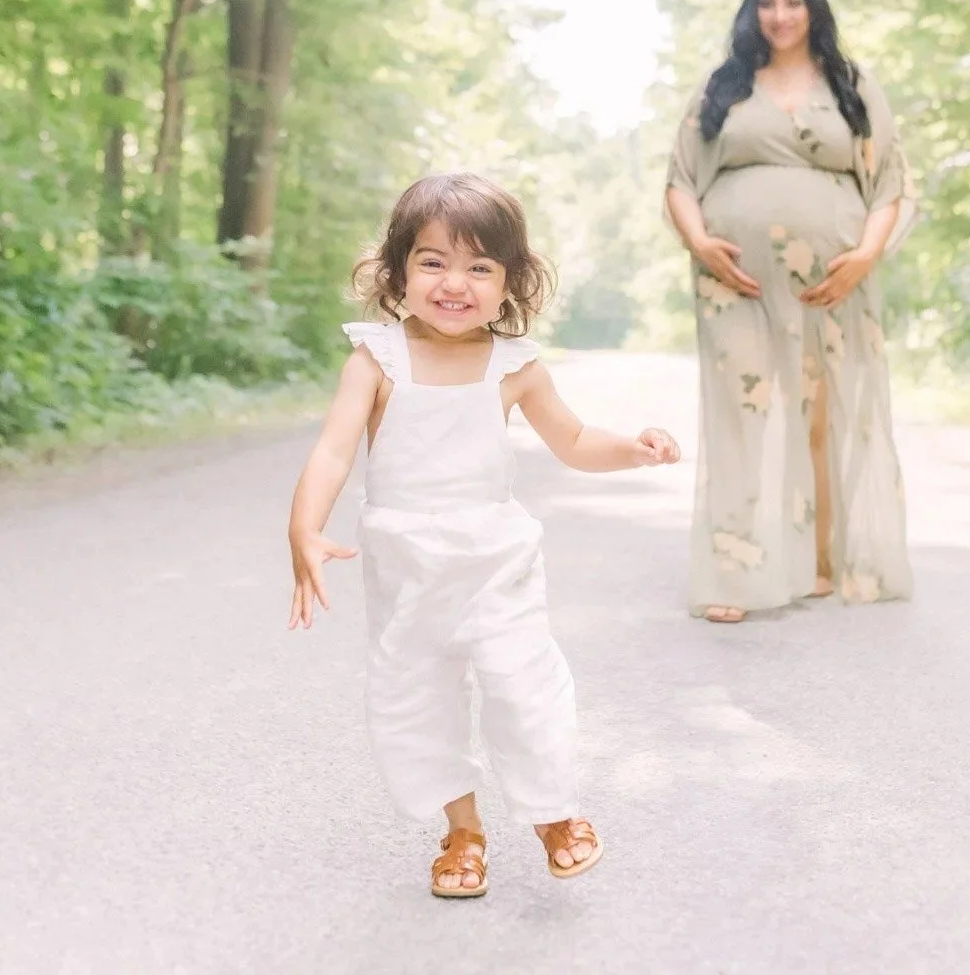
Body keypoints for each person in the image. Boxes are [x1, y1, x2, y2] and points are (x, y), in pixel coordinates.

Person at [284, 172, 681, 899]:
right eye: (432, 261)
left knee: (524, 685)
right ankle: (462, 832)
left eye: (479, 266)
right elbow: (335, 451)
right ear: (399, 269)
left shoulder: (514, 365)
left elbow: (575, 439)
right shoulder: (376, 359)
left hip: (496, 560)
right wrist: (302, 526)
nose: (454, 282)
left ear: (511, 281)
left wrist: (635, 446)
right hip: (408, 567)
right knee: (417, 698)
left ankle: (554, 812)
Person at [665, 0, 917, 623]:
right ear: (753, 10)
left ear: (813, 10)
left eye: (793, 2)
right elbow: (680, 181)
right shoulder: (724, 86)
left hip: (831, 283)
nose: (779, 15)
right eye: (768, 2)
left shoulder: (849, 84)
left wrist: (865, 254)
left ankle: (819, 562)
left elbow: (888, 181)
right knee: (741, 415)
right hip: (735, 281)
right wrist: (699, 241)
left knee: (818, 417)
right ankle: (734, 574)